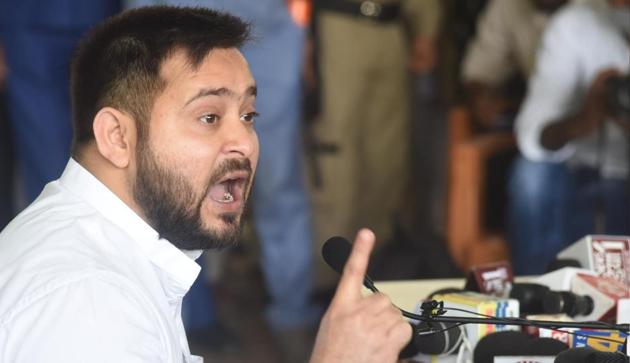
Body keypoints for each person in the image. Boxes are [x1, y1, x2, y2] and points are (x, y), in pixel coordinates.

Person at [0, 6, 411, 362]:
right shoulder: (89, 305)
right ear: (117, 137)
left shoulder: (96, 251)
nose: (245, 144)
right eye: (209, 117)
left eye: (248, 116)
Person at [124, 2, 320, 359]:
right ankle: (167, 325)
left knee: (277, 180)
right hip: (170, 21)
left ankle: (292, 317)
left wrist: (301, 27)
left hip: (266, 28)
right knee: (164, 181)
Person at [308, 0, 442, 288]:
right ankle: (327, 279)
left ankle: (376, 269)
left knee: (388, 156)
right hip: (337, 25)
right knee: (336, 156)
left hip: (391, 28)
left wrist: (426, 30)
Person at [508, 0, 630, 274]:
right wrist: (584, 119)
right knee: (531, 173)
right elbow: (533, 137)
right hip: (583, 175)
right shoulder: (575, 23)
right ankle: (537, 300)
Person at [461, 0, 568, 130]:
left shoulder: (595, 10)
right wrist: (481, 97)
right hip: (538, 128)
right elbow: (480, 70)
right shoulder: (508, 5)